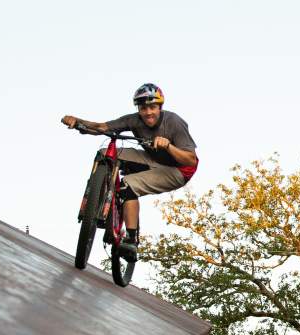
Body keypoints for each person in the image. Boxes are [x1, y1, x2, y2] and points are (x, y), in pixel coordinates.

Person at [61, 83, 198, 262]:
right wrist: (77, 121)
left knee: (128, 186)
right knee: (105, 154)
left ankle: (131, 240)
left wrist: (169, 146)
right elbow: (102, 127)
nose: (148, 112)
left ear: (160, 107)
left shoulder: (173, 122)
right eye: (143, 108)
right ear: (138, 108)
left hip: (178, 170)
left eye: (152, 107)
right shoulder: (134, 120)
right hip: (152, 159)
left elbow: (191, 160)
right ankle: (96, 199)